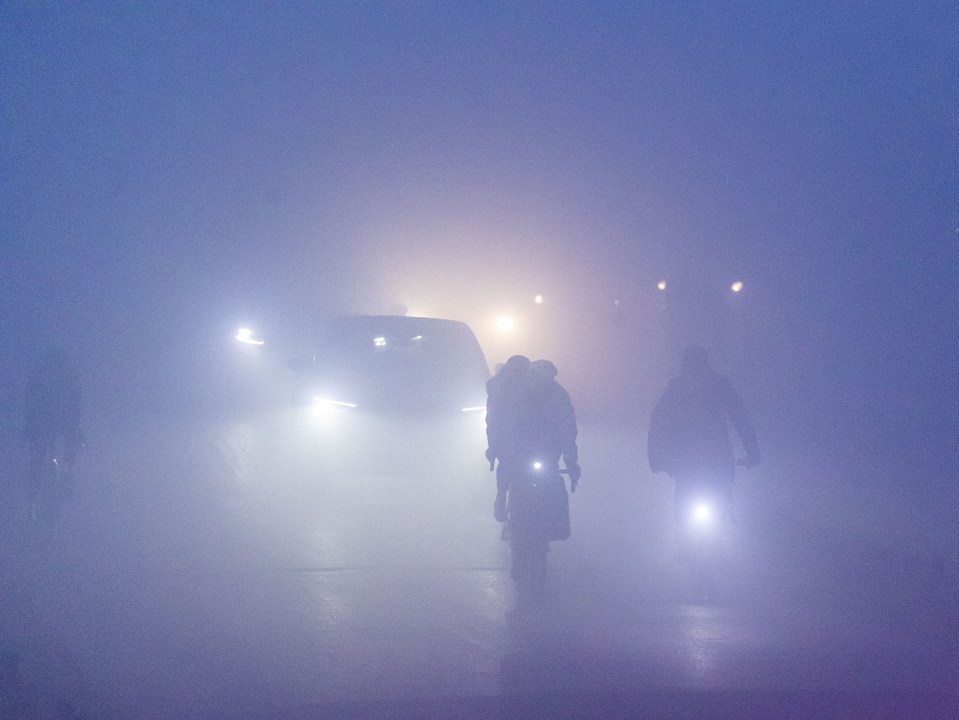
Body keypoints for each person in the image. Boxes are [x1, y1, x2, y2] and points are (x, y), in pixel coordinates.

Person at [647, 345, 759, 518]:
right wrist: (753, 452)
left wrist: (656, 459)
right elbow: (741, 419)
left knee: (710, 505)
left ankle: (714, 529)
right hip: (703, 461)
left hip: (701, 461)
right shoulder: (716, 385)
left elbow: (657, 422)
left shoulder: (679, 388)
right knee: (692, 510)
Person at [23, 345, 83, 502]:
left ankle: (37, 492)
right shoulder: (68, 374)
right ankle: (65, 476)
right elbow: (76, 403)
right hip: (53, 423)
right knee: (70, 445)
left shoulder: (40, 374)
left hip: (47, 424)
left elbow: (29, 401)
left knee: (38, 460)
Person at [485, 355, 531, 521]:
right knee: (507, 464)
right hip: (510, 440)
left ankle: (501, 497)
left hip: (521, 440)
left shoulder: (532, 386)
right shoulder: (500, 388)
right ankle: (501, 497)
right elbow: (494, 419)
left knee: (506, 465)